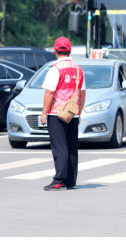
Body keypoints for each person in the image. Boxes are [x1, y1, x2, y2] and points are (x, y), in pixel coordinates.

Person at [40, 36, 86, 191]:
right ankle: (70, 181)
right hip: (73, 114)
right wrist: (78, 113)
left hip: (56, 114)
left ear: (55, 51)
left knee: (59, 147)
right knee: (71, 147)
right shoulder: (79, 70)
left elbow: (49, 93)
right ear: (70, 51)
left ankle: (59, 180)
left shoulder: (55, 69)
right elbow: (82, 93)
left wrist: (44, 114)